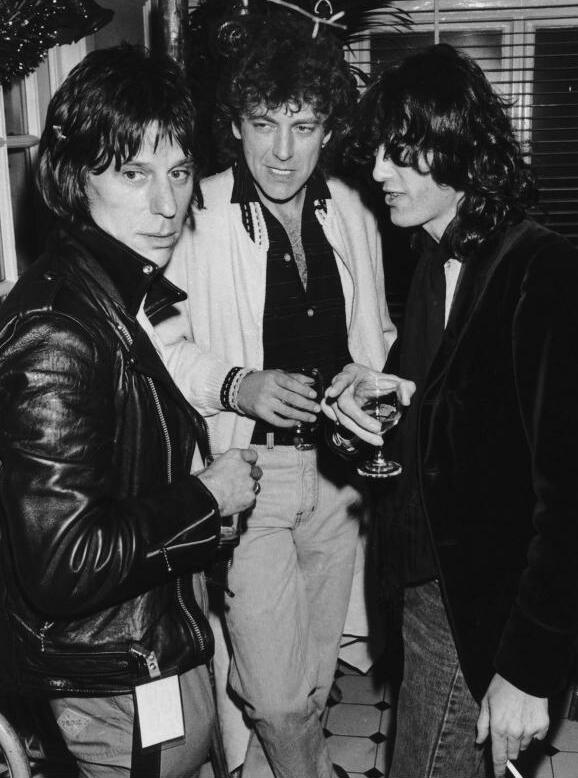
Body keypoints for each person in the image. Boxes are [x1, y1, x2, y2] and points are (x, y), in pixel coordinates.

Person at [0, 44, 262, 778]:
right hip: (107, 683)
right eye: (133, 173)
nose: (167, 204)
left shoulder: (115, 294)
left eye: (178, 172)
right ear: (73, 179)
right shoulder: (58, 331)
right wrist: (205, 498)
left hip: (139, 653)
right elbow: (64, 562)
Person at [324, 42, 578, 778]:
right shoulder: (433, 261)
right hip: (422, 584)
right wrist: (362, 416)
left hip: (479, 612)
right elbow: (436, 422)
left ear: (459, 147)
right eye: (378, 152)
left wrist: (529, 667)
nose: (378, 173)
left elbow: (570, 499)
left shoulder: (544, 272)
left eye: (400, 154)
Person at [155, 10, 397, 778]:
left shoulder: (351, 210)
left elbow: (376, 335)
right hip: (251, 479)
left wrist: (368, 383)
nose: (283, 151)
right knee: (277, 698)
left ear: (328, 130)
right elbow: (158, 347)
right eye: (265, 124)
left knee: (314, 682)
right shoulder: (198, 216)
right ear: (237, 125)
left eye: (303, 126)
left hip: (338, 480)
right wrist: (239, 386)